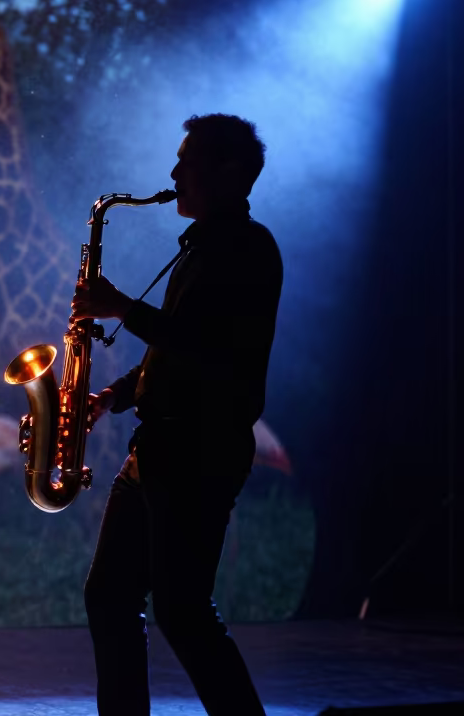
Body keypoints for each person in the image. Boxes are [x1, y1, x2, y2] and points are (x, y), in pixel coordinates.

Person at [70, 113, 282, 716]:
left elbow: (204, 345)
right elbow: (173, 352)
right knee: (111, 596)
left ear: (230, 172)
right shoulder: (202, 249)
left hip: (198, 452)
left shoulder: (248, 248)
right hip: (159, 449)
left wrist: (117, 307)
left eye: (187, 161)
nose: (173, 173)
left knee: (184, 612)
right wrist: (112, 397)